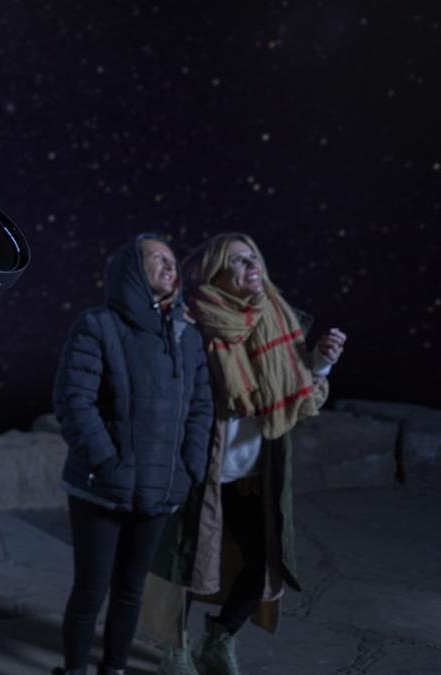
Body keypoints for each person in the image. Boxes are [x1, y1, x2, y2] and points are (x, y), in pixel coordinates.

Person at [147, 233, 346, 675]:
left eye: (253, 257)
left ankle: (219, 639)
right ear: (217, 273)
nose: (250, 266)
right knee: (182, 563)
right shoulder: (191, 322)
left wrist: (320, 363)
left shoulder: (279, 318)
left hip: (254, 470)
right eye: (237, 261)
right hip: (200, 467)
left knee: (264, 563)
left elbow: (299, 392)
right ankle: (173, 649)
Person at [52, 234, 214, 675]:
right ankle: (74, 671)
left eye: (173, 260)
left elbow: (201, 408)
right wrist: (110, 462)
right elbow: (73, 400)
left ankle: (114, 669)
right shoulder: (98, 325)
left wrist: (189, 469)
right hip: (100, 488)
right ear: (132, 271)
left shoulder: (188, 337)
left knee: (131, 589)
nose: (170, 265)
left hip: (160, 489)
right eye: (157, 259)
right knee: (91, 588)